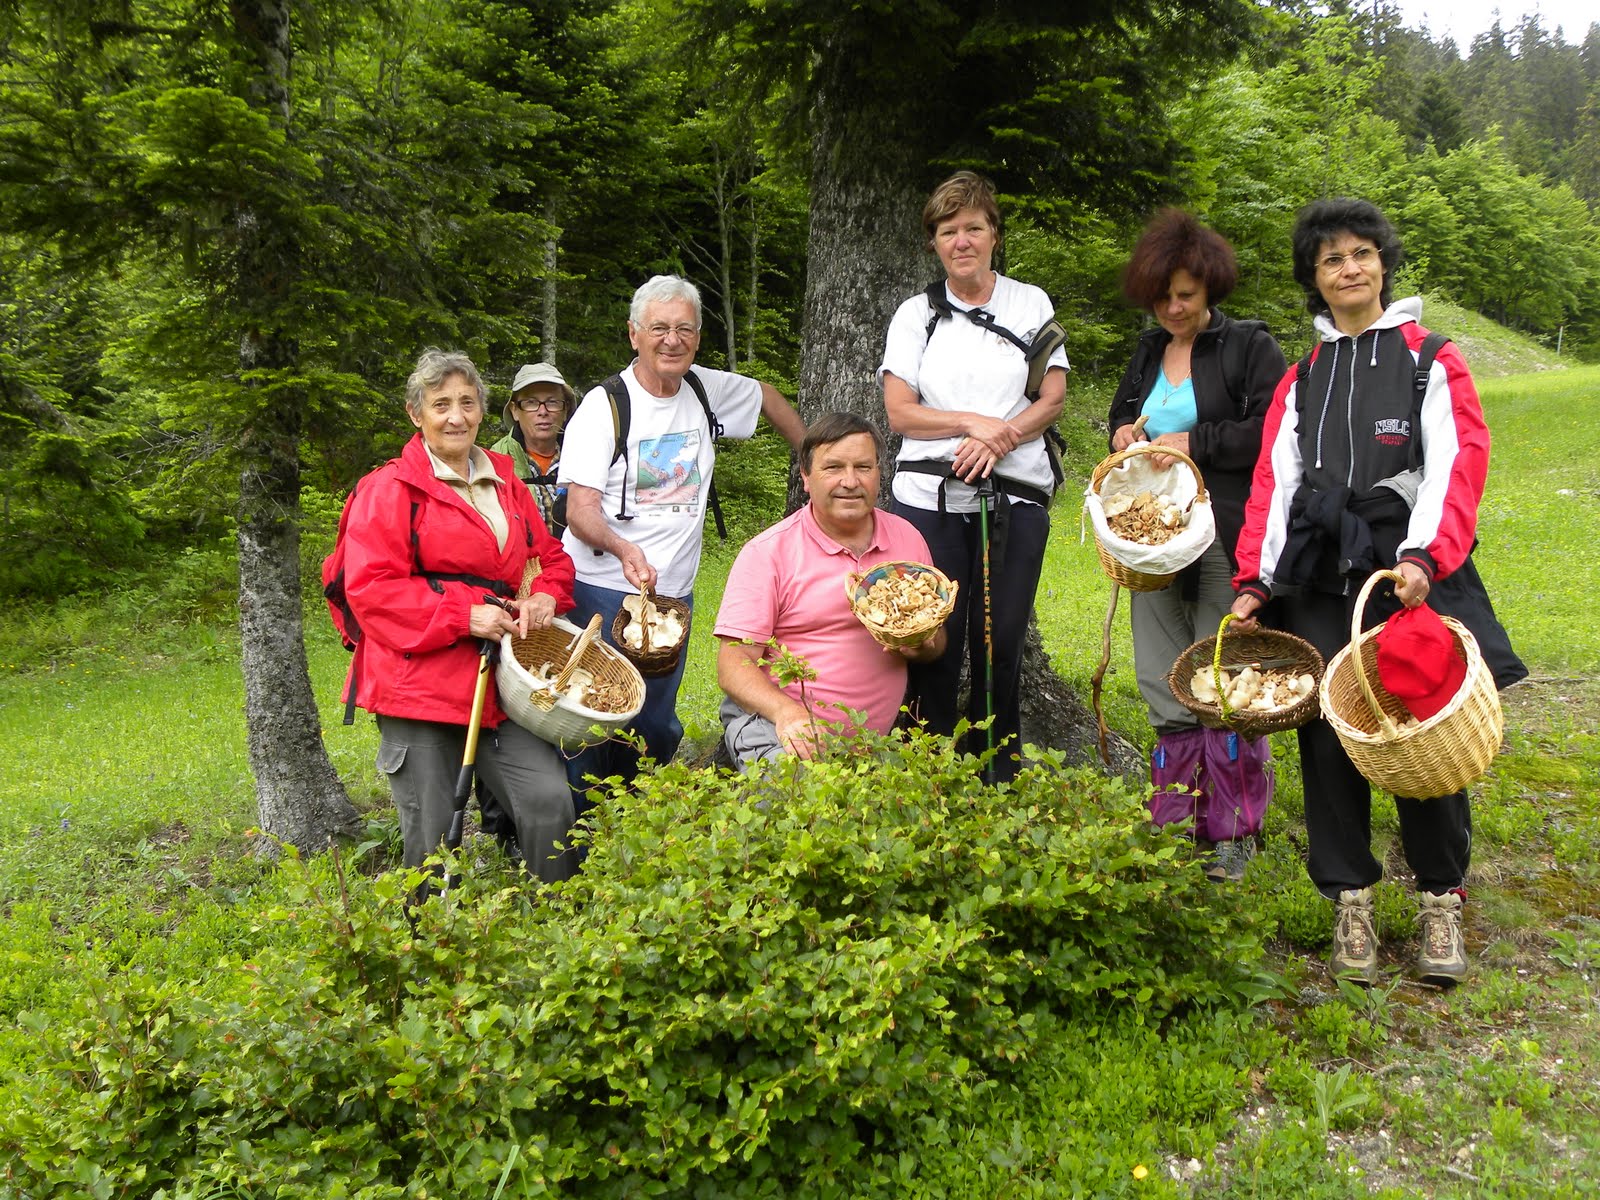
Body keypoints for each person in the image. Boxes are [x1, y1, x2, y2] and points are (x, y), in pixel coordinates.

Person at [1230, 199, 1526, 985]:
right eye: (1331, 260)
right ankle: (1350, 900)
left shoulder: (1431, 358)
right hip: (1323, 581)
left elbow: (1458, 463)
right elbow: (1276, 484)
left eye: (1361, 253)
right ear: (1314, 280)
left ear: (1383, 263)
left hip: (1408, 582)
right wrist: (1255, 583)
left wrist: (1424, 557)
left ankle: (1441, 901)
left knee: (1416, 732)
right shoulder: (1303, 379)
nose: (1349, 269)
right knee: (1331, 738)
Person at [338, 348, 580, 882]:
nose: (456, 416)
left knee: (548, 803)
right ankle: (429, 947)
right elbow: (371, 590)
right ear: (415, 413)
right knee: (430, 837)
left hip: (498, 681)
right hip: (417, 687)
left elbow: (551, 557)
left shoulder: (504, 479)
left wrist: (545, 594)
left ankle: (562, 934)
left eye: (467, 403)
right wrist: (465, 617)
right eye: (440, 403)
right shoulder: (390, 489)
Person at [558, 274, 806, 788]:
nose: (672, 340)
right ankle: (580, 841)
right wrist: (623, 547)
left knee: (653, 727)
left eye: (685, 329)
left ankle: (635, 821)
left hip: (672, 597)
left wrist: (818, 459)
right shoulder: (604, 407)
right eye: (659, 328)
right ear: (634, 334)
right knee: (590, 720)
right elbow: (579, 510)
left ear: (696, 336)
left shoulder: (703, 387)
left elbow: (765, 397)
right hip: (599, 590)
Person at [1107, 211, 1287, 883]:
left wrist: (1193, 443)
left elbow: (1271, 432)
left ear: (1209, 287)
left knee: (1221, 674)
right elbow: (1121, 417)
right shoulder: (1149, 349)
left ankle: (1236, 827)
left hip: (1223, 527)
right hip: (1153, 532)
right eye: (1162, 296)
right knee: (1160, 670)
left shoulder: (1247, 347)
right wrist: (1125, 433)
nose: (1173, 307)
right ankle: (1177, 819)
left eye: (1184, 294)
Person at [878, 170, 1068, 782]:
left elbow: (1053, 397)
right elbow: (900, 411)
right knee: (933, 638)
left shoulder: (1030, 302)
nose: (962, 240)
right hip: (927, 500)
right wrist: (973, 424)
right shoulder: (914, 315)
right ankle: (927, 774)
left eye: (974, 228)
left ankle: (996, 774)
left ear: (993, 235)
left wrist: (1002, 437)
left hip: (1015, 495)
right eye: (948, 230)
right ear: (934, 242)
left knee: (1001, 640)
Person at [714, 412, 947, 766]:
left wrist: (922, 644)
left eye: (863, 467)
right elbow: (732, 665)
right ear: (806, 477)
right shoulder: (767, 553)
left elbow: (936, 640)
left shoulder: (906, 539)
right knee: (791, 797)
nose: (850, 481)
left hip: (872, 744)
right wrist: (786, 713)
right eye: (834, 467)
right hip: (777, 726)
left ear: (878, 474)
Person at [490, 362, 578, 538]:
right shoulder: (494, 461)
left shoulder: (585, 456)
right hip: (524, 563)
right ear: (515, 411)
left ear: (565, 409)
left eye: (552, 402)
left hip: (580, 563)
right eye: (531, 403)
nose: (543, 411)